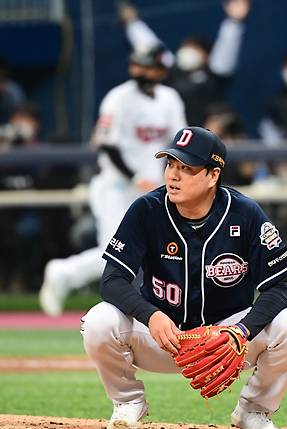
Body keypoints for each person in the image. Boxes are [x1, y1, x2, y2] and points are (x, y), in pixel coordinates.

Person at [80, 127, 287, 429]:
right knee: (98, 321)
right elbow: (112, 281)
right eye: (170, 165)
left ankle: (254, 410)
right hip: (162, 336)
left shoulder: (246, 213)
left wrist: (241, 331)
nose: (173, 176)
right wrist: (150, 314)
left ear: (212, 175)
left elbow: (280, 285)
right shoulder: (146, 209)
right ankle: (127, 402)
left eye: (187, 168)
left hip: (226, 338)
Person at [38, 45, 186, 316]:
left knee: (158, 249)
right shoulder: (118, 98)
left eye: (148, 66)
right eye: (137, 65)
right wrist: (135, 176)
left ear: (161, 70)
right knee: (114, 250)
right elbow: (107, 145)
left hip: (153, 188)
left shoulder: (170, 98)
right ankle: (62, 274)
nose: (140, 71)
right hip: (116, 186)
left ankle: (158, 309)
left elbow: (178, 142)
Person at [119, 0, 250, 126]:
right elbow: (151, 47)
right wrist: (133, 23)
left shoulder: (216, 75)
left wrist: (234, 22)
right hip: (173, 138)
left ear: (207, 56)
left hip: (204, 139)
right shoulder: (172, 70)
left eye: (196, 48)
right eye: (187, 46)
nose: (189, 51)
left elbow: (227, 48)